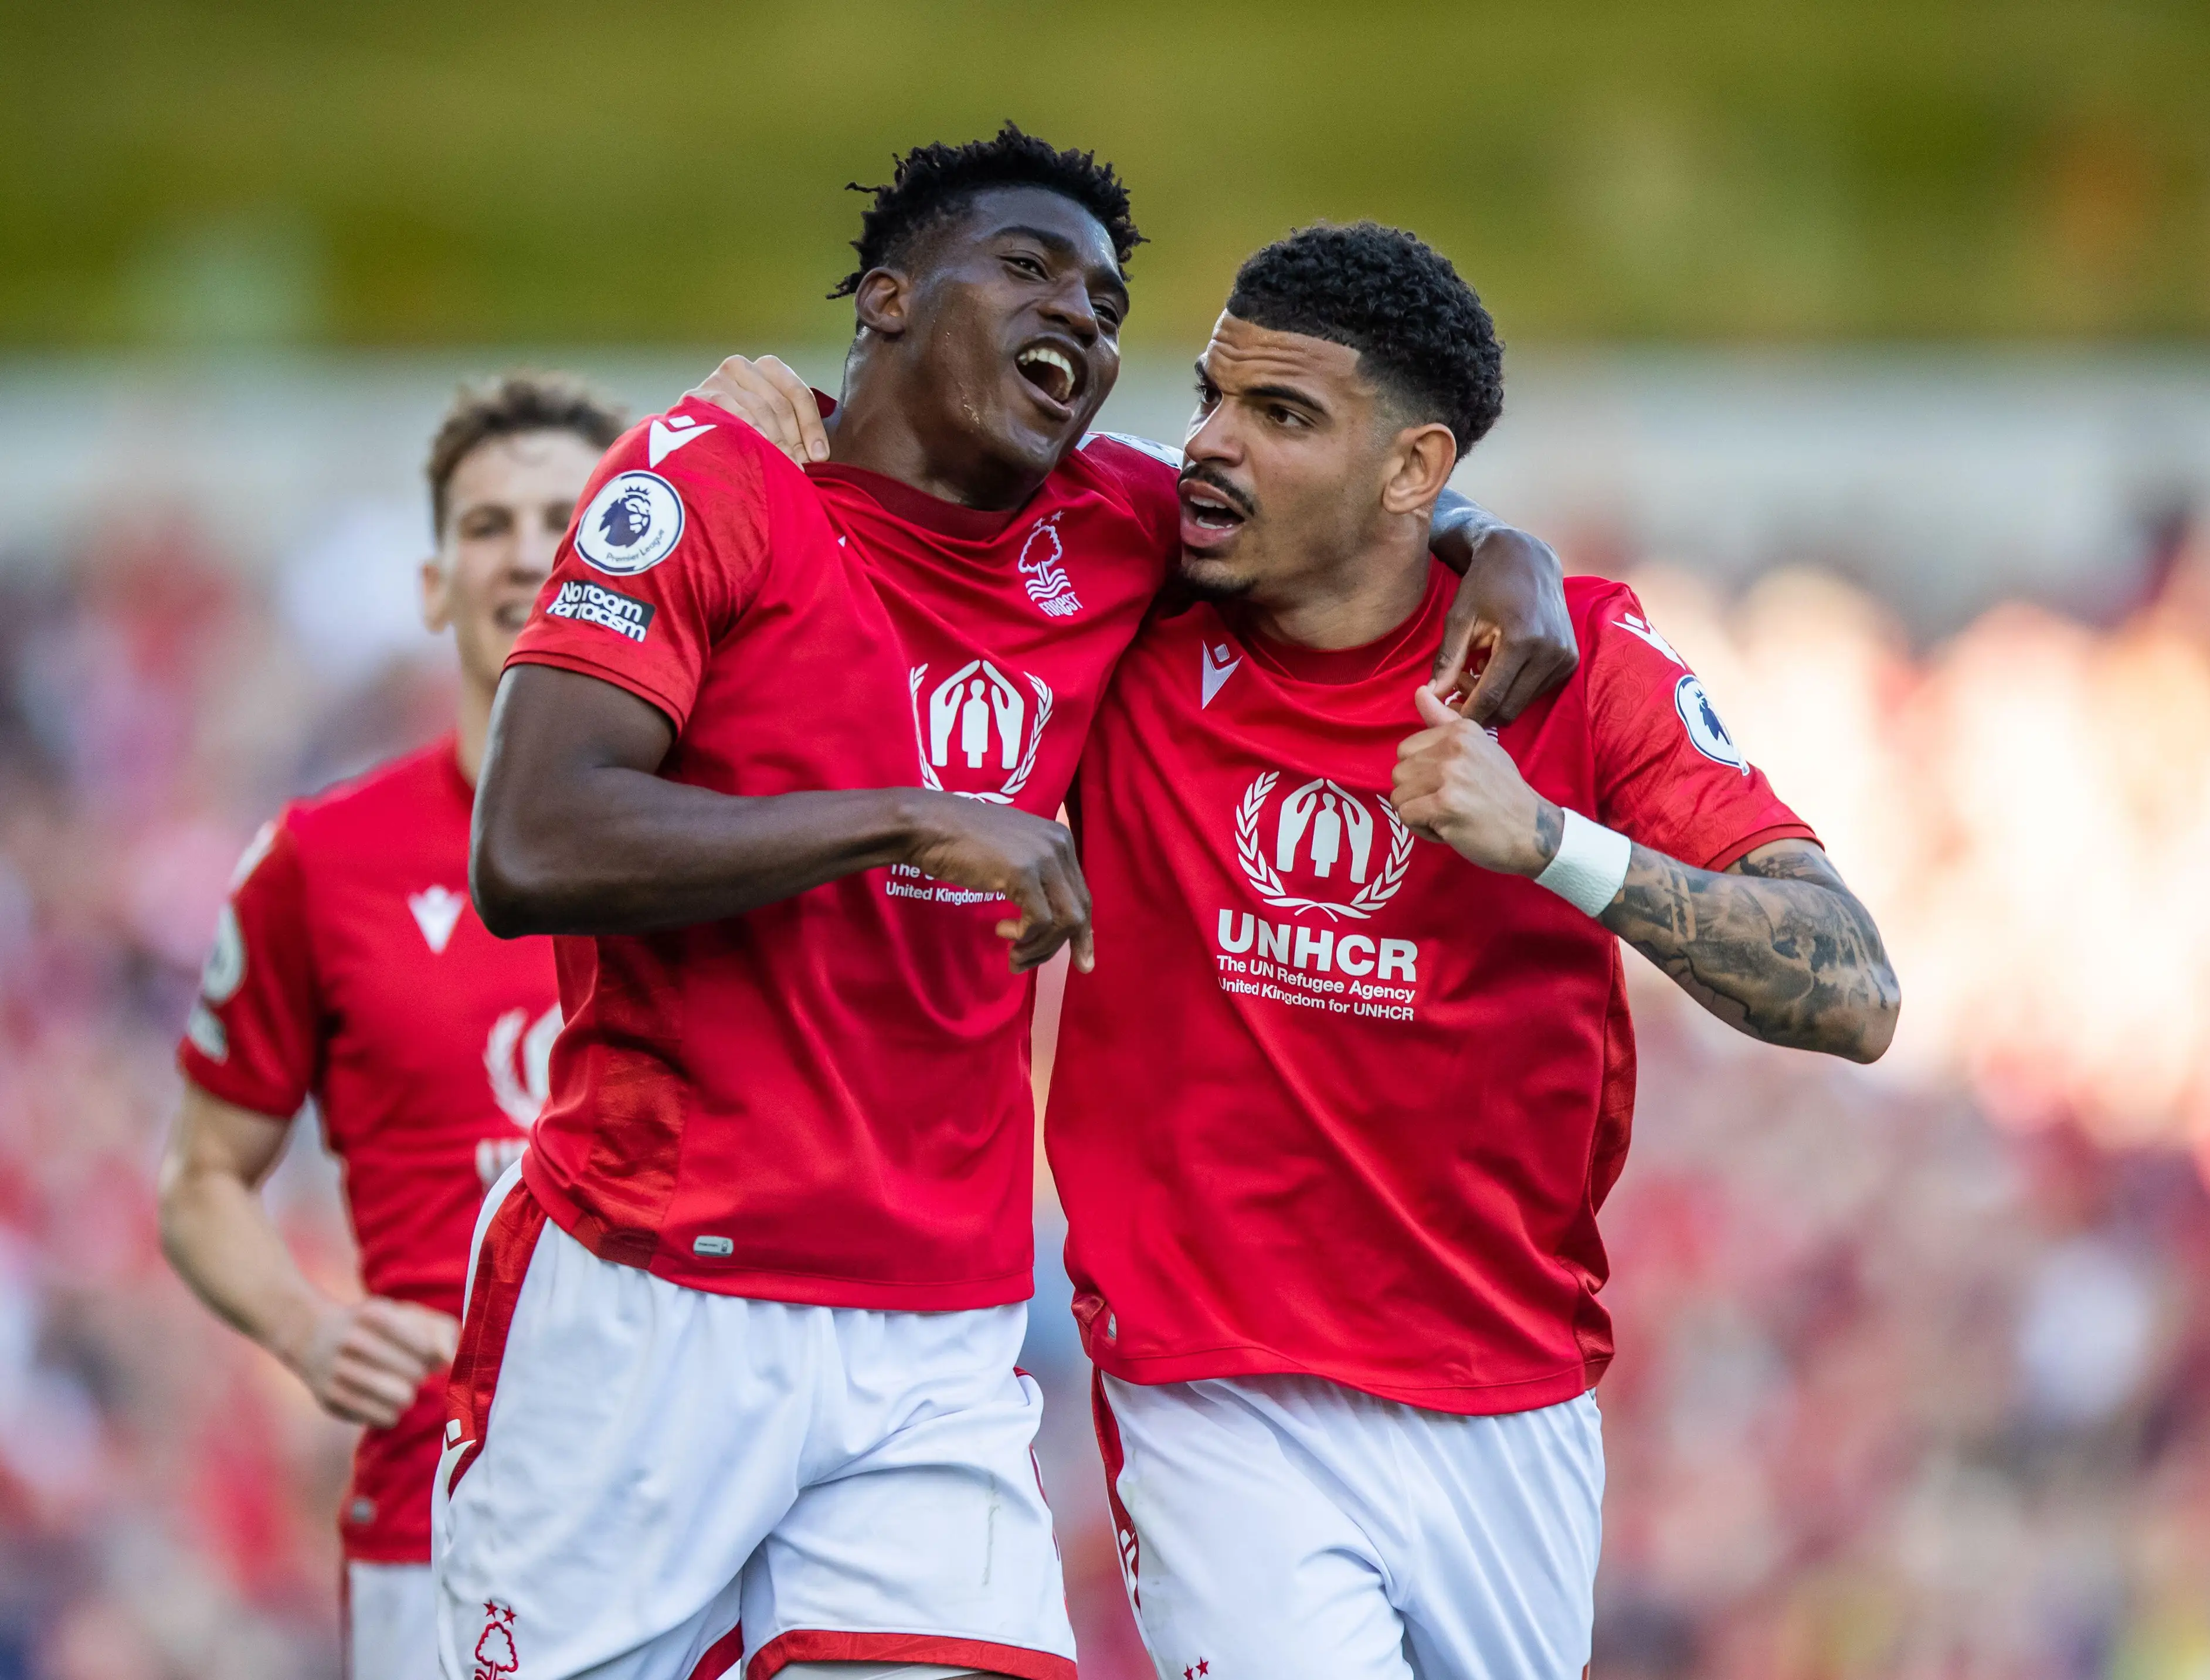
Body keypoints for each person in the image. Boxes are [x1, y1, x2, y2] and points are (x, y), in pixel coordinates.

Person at [452, 130, 1570, 1680]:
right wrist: (909, 818)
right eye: (1031, 270)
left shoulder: (1114, 525)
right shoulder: (711, 482)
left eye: (1108, 308)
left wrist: (1502, 546)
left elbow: (1330, 494)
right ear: (889, 298)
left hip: (940, 1328)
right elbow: (531, 841)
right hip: (653, 1284)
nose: (1081, 322)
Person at [1041, 225, 1901, 1679]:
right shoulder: (1134, 583)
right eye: (1211, 396)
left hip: (1507, 1398)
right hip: (1216, 1388)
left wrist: (1555, 842)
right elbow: (921, 461)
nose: (1210, 445)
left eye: (1281, 414)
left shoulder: (1582, 662)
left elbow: (1856, 988)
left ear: (1414, 470)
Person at [157, 374, 624, 1680]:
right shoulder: (321, 860)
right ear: (432, 584)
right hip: (434, 1515)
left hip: (694, 1496)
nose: (527, 552)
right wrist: (306, 1329)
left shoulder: (727, 837)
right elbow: (200, 1177)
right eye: (487, 525)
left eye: (567, 517)